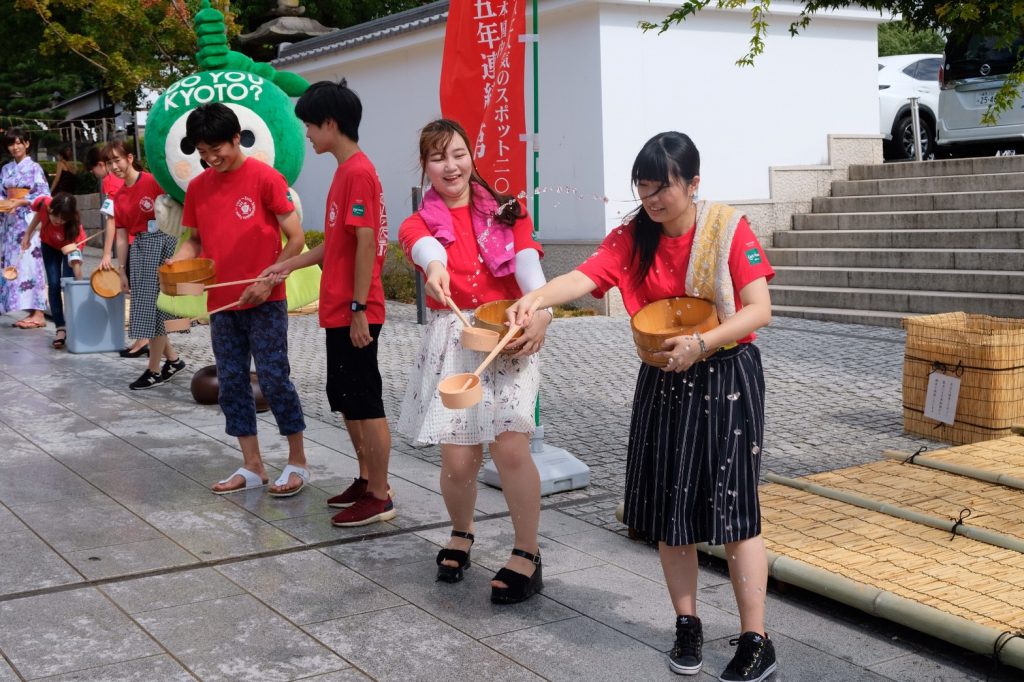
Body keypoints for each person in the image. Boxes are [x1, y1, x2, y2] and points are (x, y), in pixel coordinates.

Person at [507, 132, 778, 681]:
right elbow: (586, 275)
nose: (651, 200)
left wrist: (702, 342)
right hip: (664, 375)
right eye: (644, 188)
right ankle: (687, 624)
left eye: (662, 189)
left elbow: (759, 309)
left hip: (725, 373)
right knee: (669, 506)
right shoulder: (635, 235)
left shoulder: (728, 228)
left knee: (735, 509)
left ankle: (757, 639)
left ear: (693, 184)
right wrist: (535, 298)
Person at [397, 119, 552, 604]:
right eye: (438, 157)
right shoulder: (418, 222)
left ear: (472, 156)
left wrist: (542, 312)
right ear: (425, 166)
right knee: (459, 458)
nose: (451, 166)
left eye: (458, 154)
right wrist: (435, 266)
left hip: (507, 333)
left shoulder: (508, 211)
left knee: (510, 448)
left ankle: (527, 552)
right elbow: (426, 250)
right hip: (454, 339)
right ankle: (461, 532)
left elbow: (529, 268)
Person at [262, 80, 395, 525]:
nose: (307, 134)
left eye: (310, 126)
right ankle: (366, 478)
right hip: (339, 307)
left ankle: (380, 494)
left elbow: (366, 242)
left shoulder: (358, 172)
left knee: (365, 401)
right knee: (346, 399)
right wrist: (289, 264)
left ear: (331, 123)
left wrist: (359, 309)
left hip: (355, 309)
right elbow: (338, 243)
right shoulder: (344, 171)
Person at [172, 102, 309, 497]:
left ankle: (298, 462)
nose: (211, 159)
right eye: (203, 152)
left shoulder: (266, 178)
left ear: (236, 138)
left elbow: (296, 238)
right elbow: (195, 240)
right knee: (231, 383)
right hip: (222, 304)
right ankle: (252, 465)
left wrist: (269, 279)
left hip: (266, 300)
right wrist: (178, 264)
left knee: (274, 378)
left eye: (217, 149)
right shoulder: (198, 187)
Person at [103, 139, 186, 386]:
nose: (114, 166)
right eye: (109, 162)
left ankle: (154, 370)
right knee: (150, 309)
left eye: (117, 160)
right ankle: (173, 361)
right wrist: (122, 271)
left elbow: (178, 207)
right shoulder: (119, 196)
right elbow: (121, 236)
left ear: (129, 158)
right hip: (141, 250)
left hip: (165, 245)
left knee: (158, 309)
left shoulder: (153, 181)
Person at [20, 192, 86, 348]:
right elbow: (38, 215)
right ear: (50, 209)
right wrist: (27, 234)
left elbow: (77, 271)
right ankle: (60, 328)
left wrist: (78, 281)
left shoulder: (74, 229)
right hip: (49, 245)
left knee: (69, 284)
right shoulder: (43, 203)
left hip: (70, 247)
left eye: (63, 220)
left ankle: (75, 325)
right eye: (56, 217)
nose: (59, 221)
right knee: (54, 284)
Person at [0, 128, 49, 328]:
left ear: (27, 144)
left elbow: (44, 196)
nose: (15, 147)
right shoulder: (6, 169)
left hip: (29, 222)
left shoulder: (35, 168)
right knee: (14, 265)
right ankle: (30, 311)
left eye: (19, 142)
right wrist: (5, 204)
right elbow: (1, 193)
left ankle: (39, 313)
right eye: (11, 144)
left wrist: (20, 202)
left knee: (30, 263)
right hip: (10, 222)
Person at [86, 146, 124, 278]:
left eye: (93, 170)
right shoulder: (121, 177)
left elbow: (111, 218)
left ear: (100, 165)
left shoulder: (109, 181)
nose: (94, 174)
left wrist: (107, 254)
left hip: (129, 238)